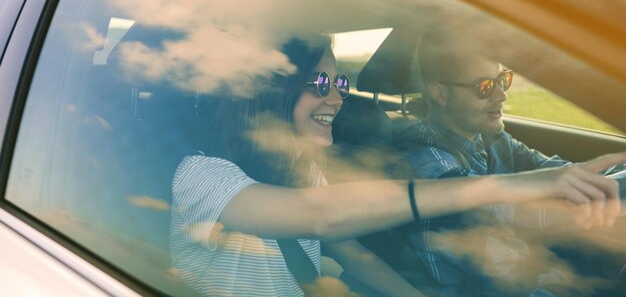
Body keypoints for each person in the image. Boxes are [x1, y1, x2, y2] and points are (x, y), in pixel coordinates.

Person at [169, 34, 624, 297]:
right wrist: (500, 188)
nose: (338, 95)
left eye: (340, 81)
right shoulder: (201, 176)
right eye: (320, 82)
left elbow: (351, 250)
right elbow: (320, 217)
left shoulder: (305, 172)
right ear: (272, 91)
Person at [392, 34, 626, 297]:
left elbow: (557, 172)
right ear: (440, 93)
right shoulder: (420, 156)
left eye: (503, 80)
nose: (501, 95)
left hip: (519, 271)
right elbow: (498, 212)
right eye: (485, 87)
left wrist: (610, 179)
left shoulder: (493, 139)